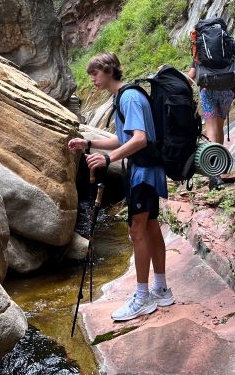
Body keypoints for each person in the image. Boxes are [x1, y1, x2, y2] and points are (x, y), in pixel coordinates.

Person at [67, 52, 174, 321]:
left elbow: (139, 139)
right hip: (146, 172)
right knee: (150, 227)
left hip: (144, 175)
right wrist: (88, 144)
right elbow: (122, 138)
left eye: (95, 73)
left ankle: (142, 297)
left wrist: (107, 159)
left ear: (108, 70)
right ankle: (160, 289)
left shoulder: (128, 97)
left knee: (137, 231)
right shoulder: (124, 97)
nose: (92, 78)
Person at [187, 22, 235, 144]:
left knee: (211, 128)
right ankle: (221, 160)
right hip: (227, 90)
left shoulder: (200, 47)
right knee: (219, 127)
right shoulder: (228, 42)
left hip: (207, 90)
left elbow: (191, 75)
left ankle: (213, 160)